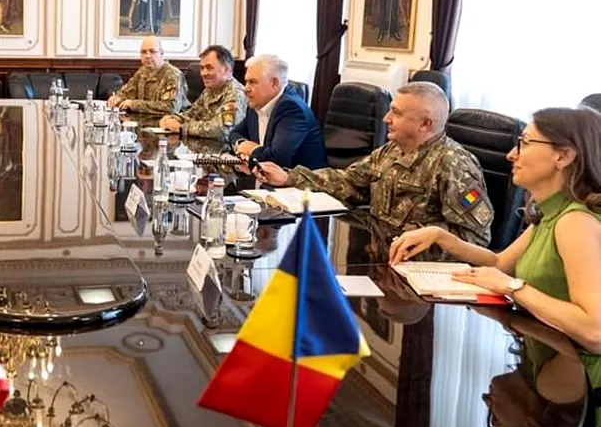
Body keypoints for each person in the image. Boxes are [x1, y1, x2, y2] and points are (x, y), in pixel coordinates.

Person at [390, 107, 601, 354]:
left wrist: (513, 287)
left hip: (578, 368)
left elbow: (595, 331)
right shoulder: (552, 211)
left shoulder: (575, 222)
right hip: (550, 352)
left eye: (524, 143)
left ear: (563, 156)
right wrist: (441, 236)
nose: (511, 154)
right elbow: (500, 263)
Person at [256, 82, 493, 245]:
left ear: (425, 124)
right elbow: (349, 182)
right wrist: (289, 177)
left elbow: (476, 238)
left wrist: (420, 243)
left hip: (417, 271)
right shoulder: (391, 151)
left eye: (396, 113)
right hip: (377, 254)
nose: (386, 119)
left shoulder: (454, 165)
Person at [228, 54, 327, 169]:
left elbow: (276, 159)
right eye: (246, 82)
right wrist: (241, 144)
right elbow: (235, 133)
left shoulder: (291, 108)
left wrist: (251, 149)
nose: (246, 88)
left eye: (252, 82)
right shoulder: (256, 103)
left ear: (274, 83)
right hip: (262, 176)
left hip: (301, 179)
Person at [159, 45, 245, 141]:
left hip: (226, 148)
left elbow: (222, 129)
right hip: (206, 146)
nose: (204, 73)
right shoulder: (209, 90)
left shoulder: (236, 93)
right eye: (202, 68)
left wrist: (182, 128)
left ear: (226, 69)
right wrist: (172, 119)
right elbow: (192, 113)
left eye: (209, 68)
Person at [106, 37, 188, 115]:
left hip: (170, 123)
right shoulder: (142, 72)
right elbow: (127, 92)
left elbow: (171, 107)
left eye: (152, 51)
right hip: (144, 121)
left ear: (161, 53)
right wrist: (117, 98)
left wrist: (134, 105)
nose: (147, 56)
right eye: (143, 52)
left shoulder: (173, 75)